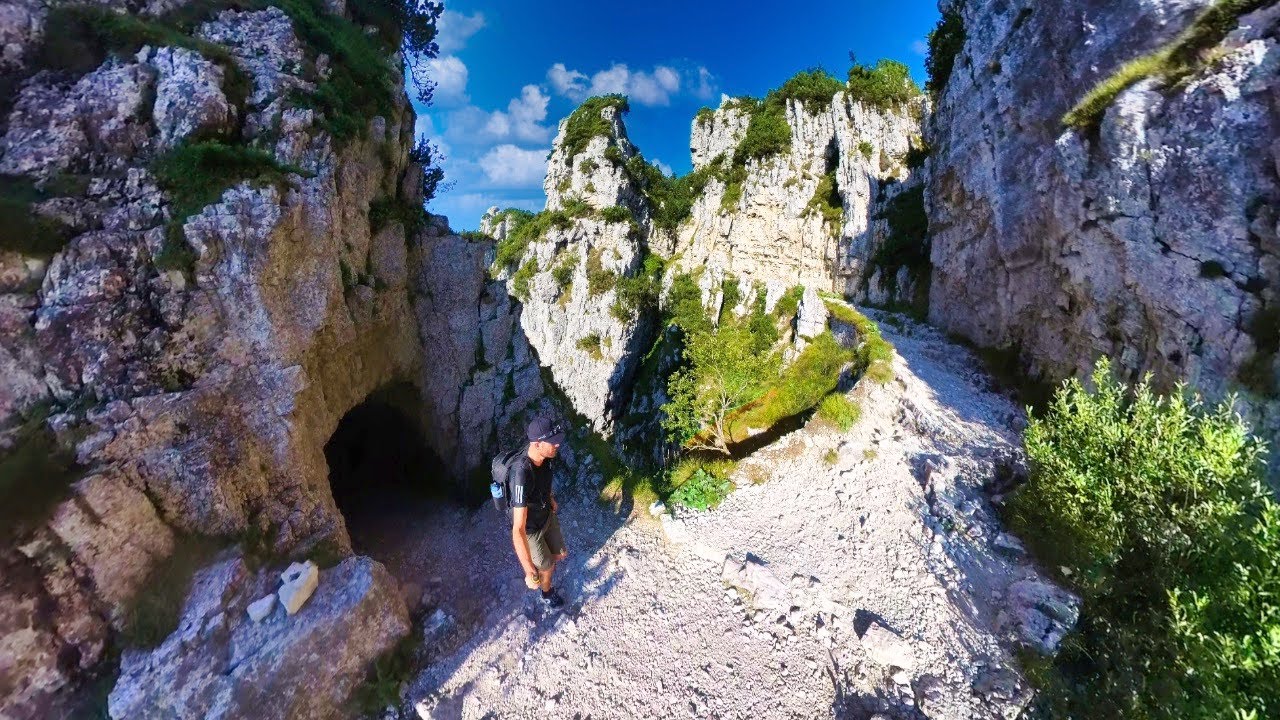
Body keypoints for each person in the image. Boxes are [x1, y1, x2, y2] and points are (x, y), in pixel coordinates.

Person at [510, 417, 568, 609]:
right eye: (552, 442)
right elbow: (518, 528)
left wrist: (550, 498)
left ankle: (547, 569)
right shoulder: (521, 474)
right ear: (537, 444)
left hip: (546, 515)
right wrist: (528, 571)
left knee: (560, 555)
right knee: (548, 566)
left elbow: (545, 481)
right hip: (531, 530)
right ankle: (546, 593)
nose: (557, 444)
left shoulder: (546, 457)